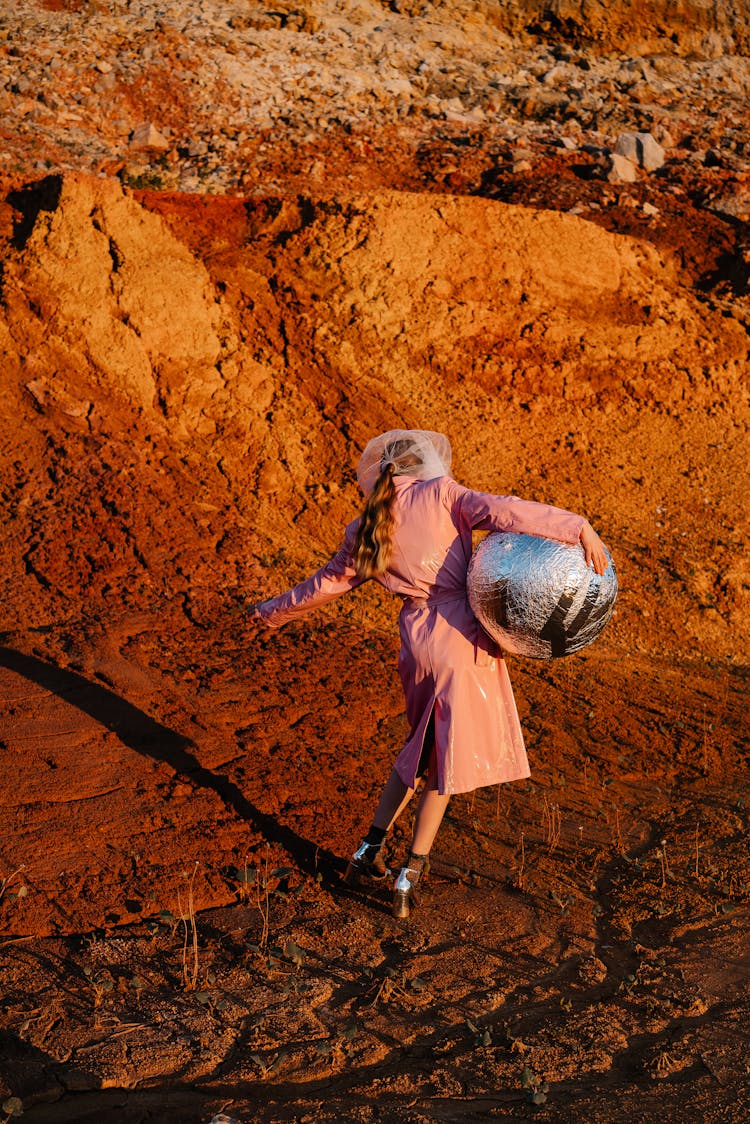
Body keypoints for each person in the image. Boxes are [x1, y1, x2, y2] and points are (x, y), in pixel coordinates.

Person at [252, 429, 608, 919]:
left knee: (417, 749)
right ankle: (409, 872)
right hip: (459, 639)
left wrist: (271, 611)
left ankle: (368, 849)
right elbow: (506, 510)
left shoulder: (365, 527)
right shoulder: (442, 495)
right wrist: (577, 527)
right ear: (419, 465)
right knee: (446, 759)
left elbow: (323, 585)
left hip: (414, 639)